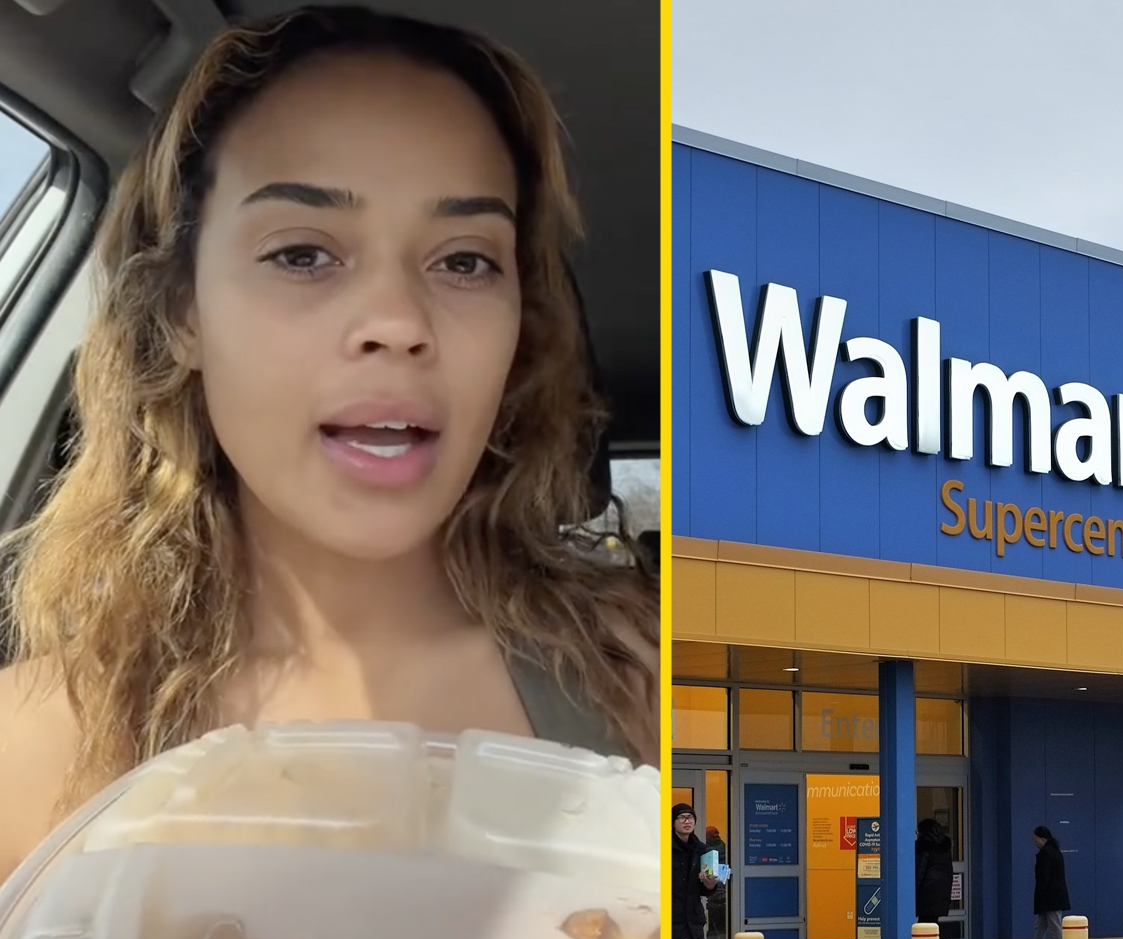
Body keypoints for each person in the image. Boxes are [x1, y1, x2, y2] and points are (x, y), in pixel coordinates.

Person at [0, 5, 659, 881]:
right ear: (183, 312)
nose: (397, 323)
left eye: (465, 260)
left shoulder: (646, 674)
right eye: (304, 253)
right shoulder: (30, 750)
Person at [672, 803, 723, 939]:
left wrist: (710, 885)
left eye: (690, 818)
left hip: (692, 922)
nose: (687, 821)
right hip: (669, 921)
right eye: (682, 817)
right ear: (673, 822)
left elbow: (705, 889)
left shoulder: (702, 850)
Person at [1015, 825, 1070, 939]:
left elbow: (1042, 879)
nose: (1035, 843)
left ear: (1043, 839)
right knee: (1040, 927)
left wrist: (1039, 899)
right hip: (1054, 896)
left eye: (1036, 840)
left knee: (1055, 929)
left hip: (1050, 898)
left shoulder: (1045, 854)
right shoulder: (1056, 852)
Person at [914, 818, 963, 939]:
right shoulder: (944, 847)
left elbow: (920, 871)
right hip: (941, 891)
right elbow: (949, 871)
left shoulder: (924, 847)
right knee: (931, 928)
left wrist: (912, 890)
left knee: (927, 929)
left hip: (927, 892)